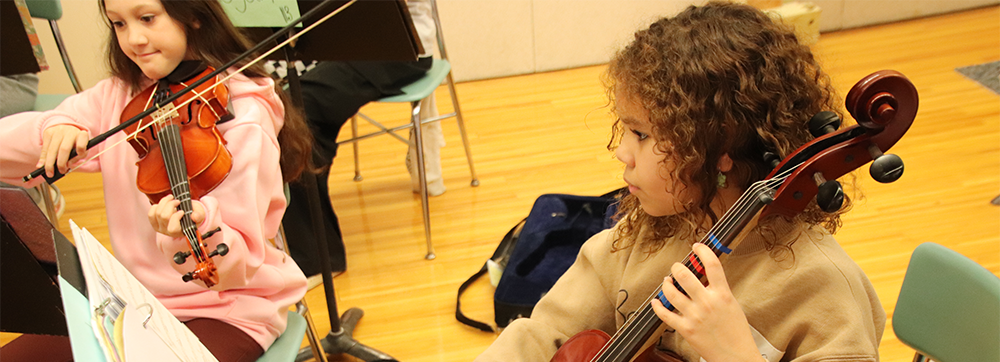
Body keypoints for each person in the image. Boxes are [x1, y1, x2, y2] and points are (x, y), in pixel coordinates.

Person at [475, 3, 885, 362]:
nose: (622, 151)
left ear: (716, 144)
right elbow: (540, 335)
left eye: (641, 134)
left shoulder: (823, 291)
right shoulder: (649, 232)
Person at [0, 0, 312, 360]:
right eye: (118, 24)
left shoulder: (241, 116)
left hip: (228, 311)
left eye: (147, 18)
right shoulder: (120, 96)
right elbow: (20, 144)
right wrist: (52, 127)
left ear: (193, 15)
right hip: (131, 303)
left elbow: (234, 269)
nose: (134, 38)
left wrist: (191, 229)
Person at [274, 0, 444, 279]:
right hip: (328, 44)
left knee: (297, 108)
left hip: (397, 46)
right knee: (275, 101)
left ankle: (319, 258)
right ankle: (308, 248)